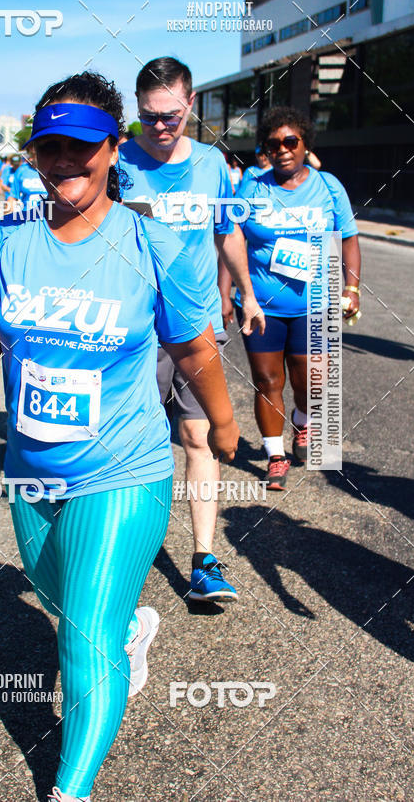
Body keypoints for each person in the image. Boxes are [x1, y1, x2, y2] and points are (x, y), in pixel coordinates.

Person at [0, 71, 239, 802]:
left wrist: (222, 423)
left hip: (124, 468)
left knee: (82, 640)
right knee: (59, 597)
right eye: (49, 148)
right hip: (34, 474)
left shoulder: (155, 245)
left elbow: (194, 350)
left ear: (114, 148)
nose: (64, 161)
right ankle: (130, 626)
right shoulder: (9, 239)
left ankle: (71, 789)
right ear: (33, 152)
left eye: (82, 147)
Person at [119, 56, 264, 604]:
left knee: (198, 438)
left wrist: (246, 294)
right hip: (134, 330)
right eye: (150, 116)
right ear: (137, 110)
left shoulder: (211, 165)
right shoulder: (118, 164)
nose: (160, 126)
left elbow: (227, 233)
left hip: (199, 324)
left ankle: (204, 560)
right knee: (137, 443)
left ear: (191, 103)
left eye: (171, 115)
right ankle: (126, 556)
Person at [218, 105, 361, 490]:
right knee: (267, 381)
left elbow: (348, 238)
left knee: (313, 384)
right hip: (262, 304)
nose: (282, 149)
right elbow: (232, 238)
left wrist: (351, 286)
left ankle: (302, 420)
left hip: (315, 303)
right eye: (272, 143)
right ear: (265, 148)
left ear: (304, 144)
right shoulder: (252, 186)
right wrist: (226, 292)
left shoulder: (329, 186)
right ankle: (274, 455)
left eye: (290, 141)